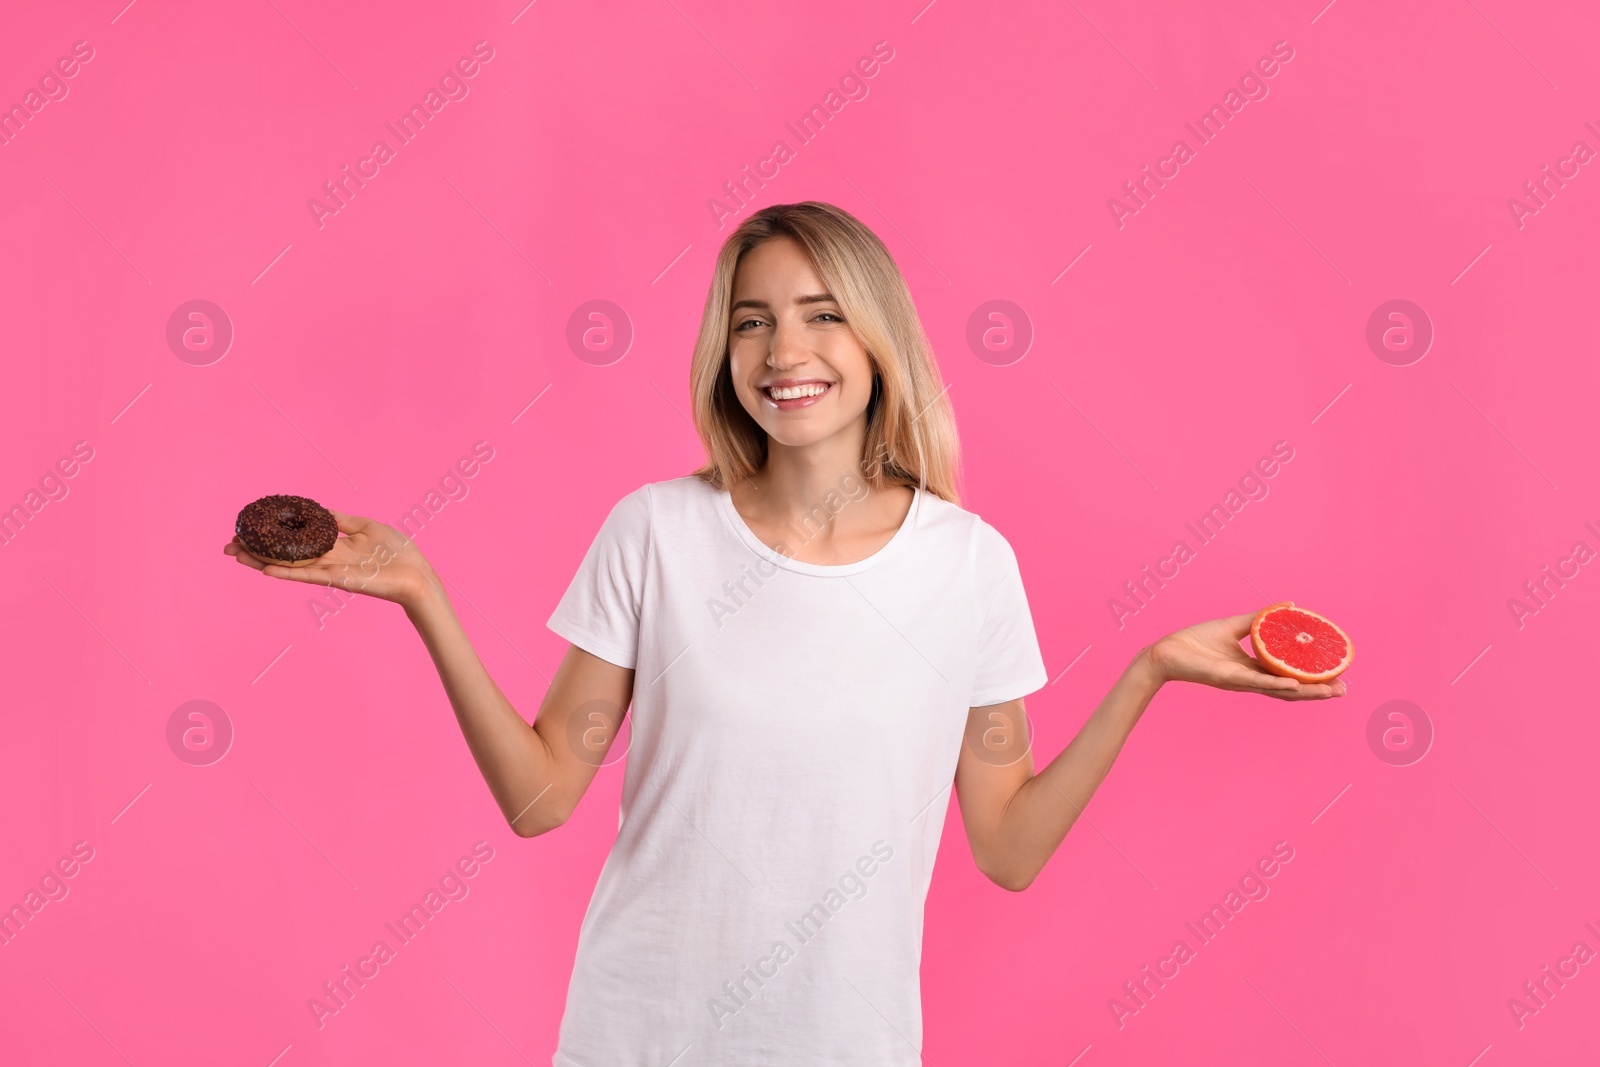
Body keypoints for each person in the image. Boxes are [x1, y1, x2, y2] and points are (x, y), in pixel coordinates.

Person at [225, 201, 1345, 1065]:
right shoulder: (654, 533)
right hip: (638, 1034)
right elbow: (540, 797)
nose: (781, 350)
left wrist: (1147, 671)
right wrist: (422, 587)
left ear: (876, 341)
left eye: (819, 315)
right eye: (750, 321)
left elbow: (1006, 846)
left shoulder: (966, 564)